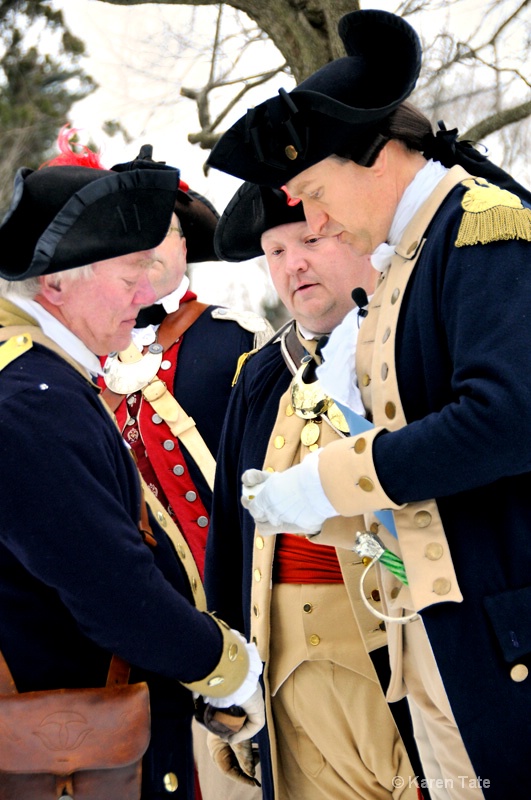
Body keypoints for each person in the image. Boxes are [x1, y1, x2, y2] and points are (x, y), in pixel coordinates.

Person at [205, 8, 531, 800]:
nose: (313, 222)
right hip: (439, 638)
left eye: (314, 195)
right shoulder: (415, 256)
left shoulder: (484, 231)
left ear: (377, 155)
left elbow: (505, 419)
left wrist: (327, 480)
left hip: (501, 636)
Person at [0, 161, 265, 800]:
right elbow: (109, 588)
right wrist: (228, 668)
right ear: (57, 285)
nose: (143, 298)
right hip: (70, 755)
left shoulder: (38, 382)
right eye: (127, 277)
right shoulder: (33, 398)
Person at [205, 180, 426, 800]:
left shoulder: (414, 345)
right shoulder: (259, 376)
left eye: (310, 238)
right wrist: (228, 704)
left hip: (412, 673)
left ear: (355, 235)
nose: (292, 264)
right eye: (274, 252)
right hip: (287, 689)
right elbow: (230, 539)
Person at [102, 144, 272, 800]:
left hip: (225, 622)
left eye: (158, 229)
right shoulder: (68, 358)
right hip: (117, 629)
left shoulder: (237, 340)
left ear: (185, 243)